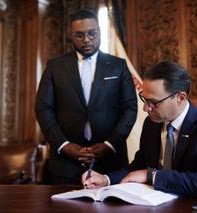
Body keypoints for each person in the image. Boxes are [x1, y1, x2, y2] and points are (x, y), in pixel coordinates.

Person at [82, 60, 197, 198]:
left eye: (153, 102)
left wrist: (152, 176)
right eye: (145, 100)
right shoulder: (151, 123)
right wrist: (105, 179)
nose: (146, 108)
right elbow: (136, 169)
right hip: (155, 203)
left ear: (180, 97)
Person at [35, 9, 137, 184]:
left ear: (99, 31)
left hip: (111, 162)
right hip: (65, 164)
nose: (87, 39)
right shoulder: (55, 66)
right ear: (71, 35)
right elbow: (43, 109)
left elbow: (130, 108)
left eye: (92, 33)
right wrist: (64, 145)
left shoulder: (118, 66)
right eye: (79, 35)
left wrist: (110, 144)